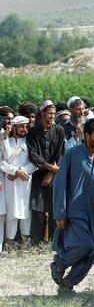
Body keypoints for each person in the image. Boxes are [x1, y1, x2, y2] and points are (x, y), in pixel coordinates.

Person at [49, 118, 94, 295]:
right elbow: (60, 184)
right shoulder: (73, 154)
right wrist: (60, 212)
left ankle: (68, 284)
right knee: (86, 245)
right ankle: (59, 263)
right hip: (75, 211)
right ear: (87, 135)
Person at [27, 100, 66, 245]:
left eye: (53, 114)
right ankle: (37, 242)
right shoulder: (32, 132)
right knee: (38, 208)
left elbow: (61, 153)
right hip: (38, 174)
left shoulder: (59, 131)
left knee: (55, 208)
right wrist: (47, 167)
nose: (51, 116)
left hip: (55, 175)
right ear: (42, 113)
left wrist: (51, 173)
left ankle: (54, 241)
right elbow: (33, 154)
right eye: (49, 113)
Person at [0, 116, 38, 251]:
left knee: (25, 211)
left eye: (25, 126)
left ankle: (24, 245)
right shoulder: (7, 141)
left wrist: (22, 171)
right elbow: (2, 161)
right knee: (12, 212)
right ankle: (9, 245)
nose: (24, 129)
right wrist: (14, 171)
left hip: (25, 180)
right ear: (14, 127)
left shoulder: (30, 142)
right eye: (21, 126)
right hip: (10, 181)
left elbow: (35, 162)